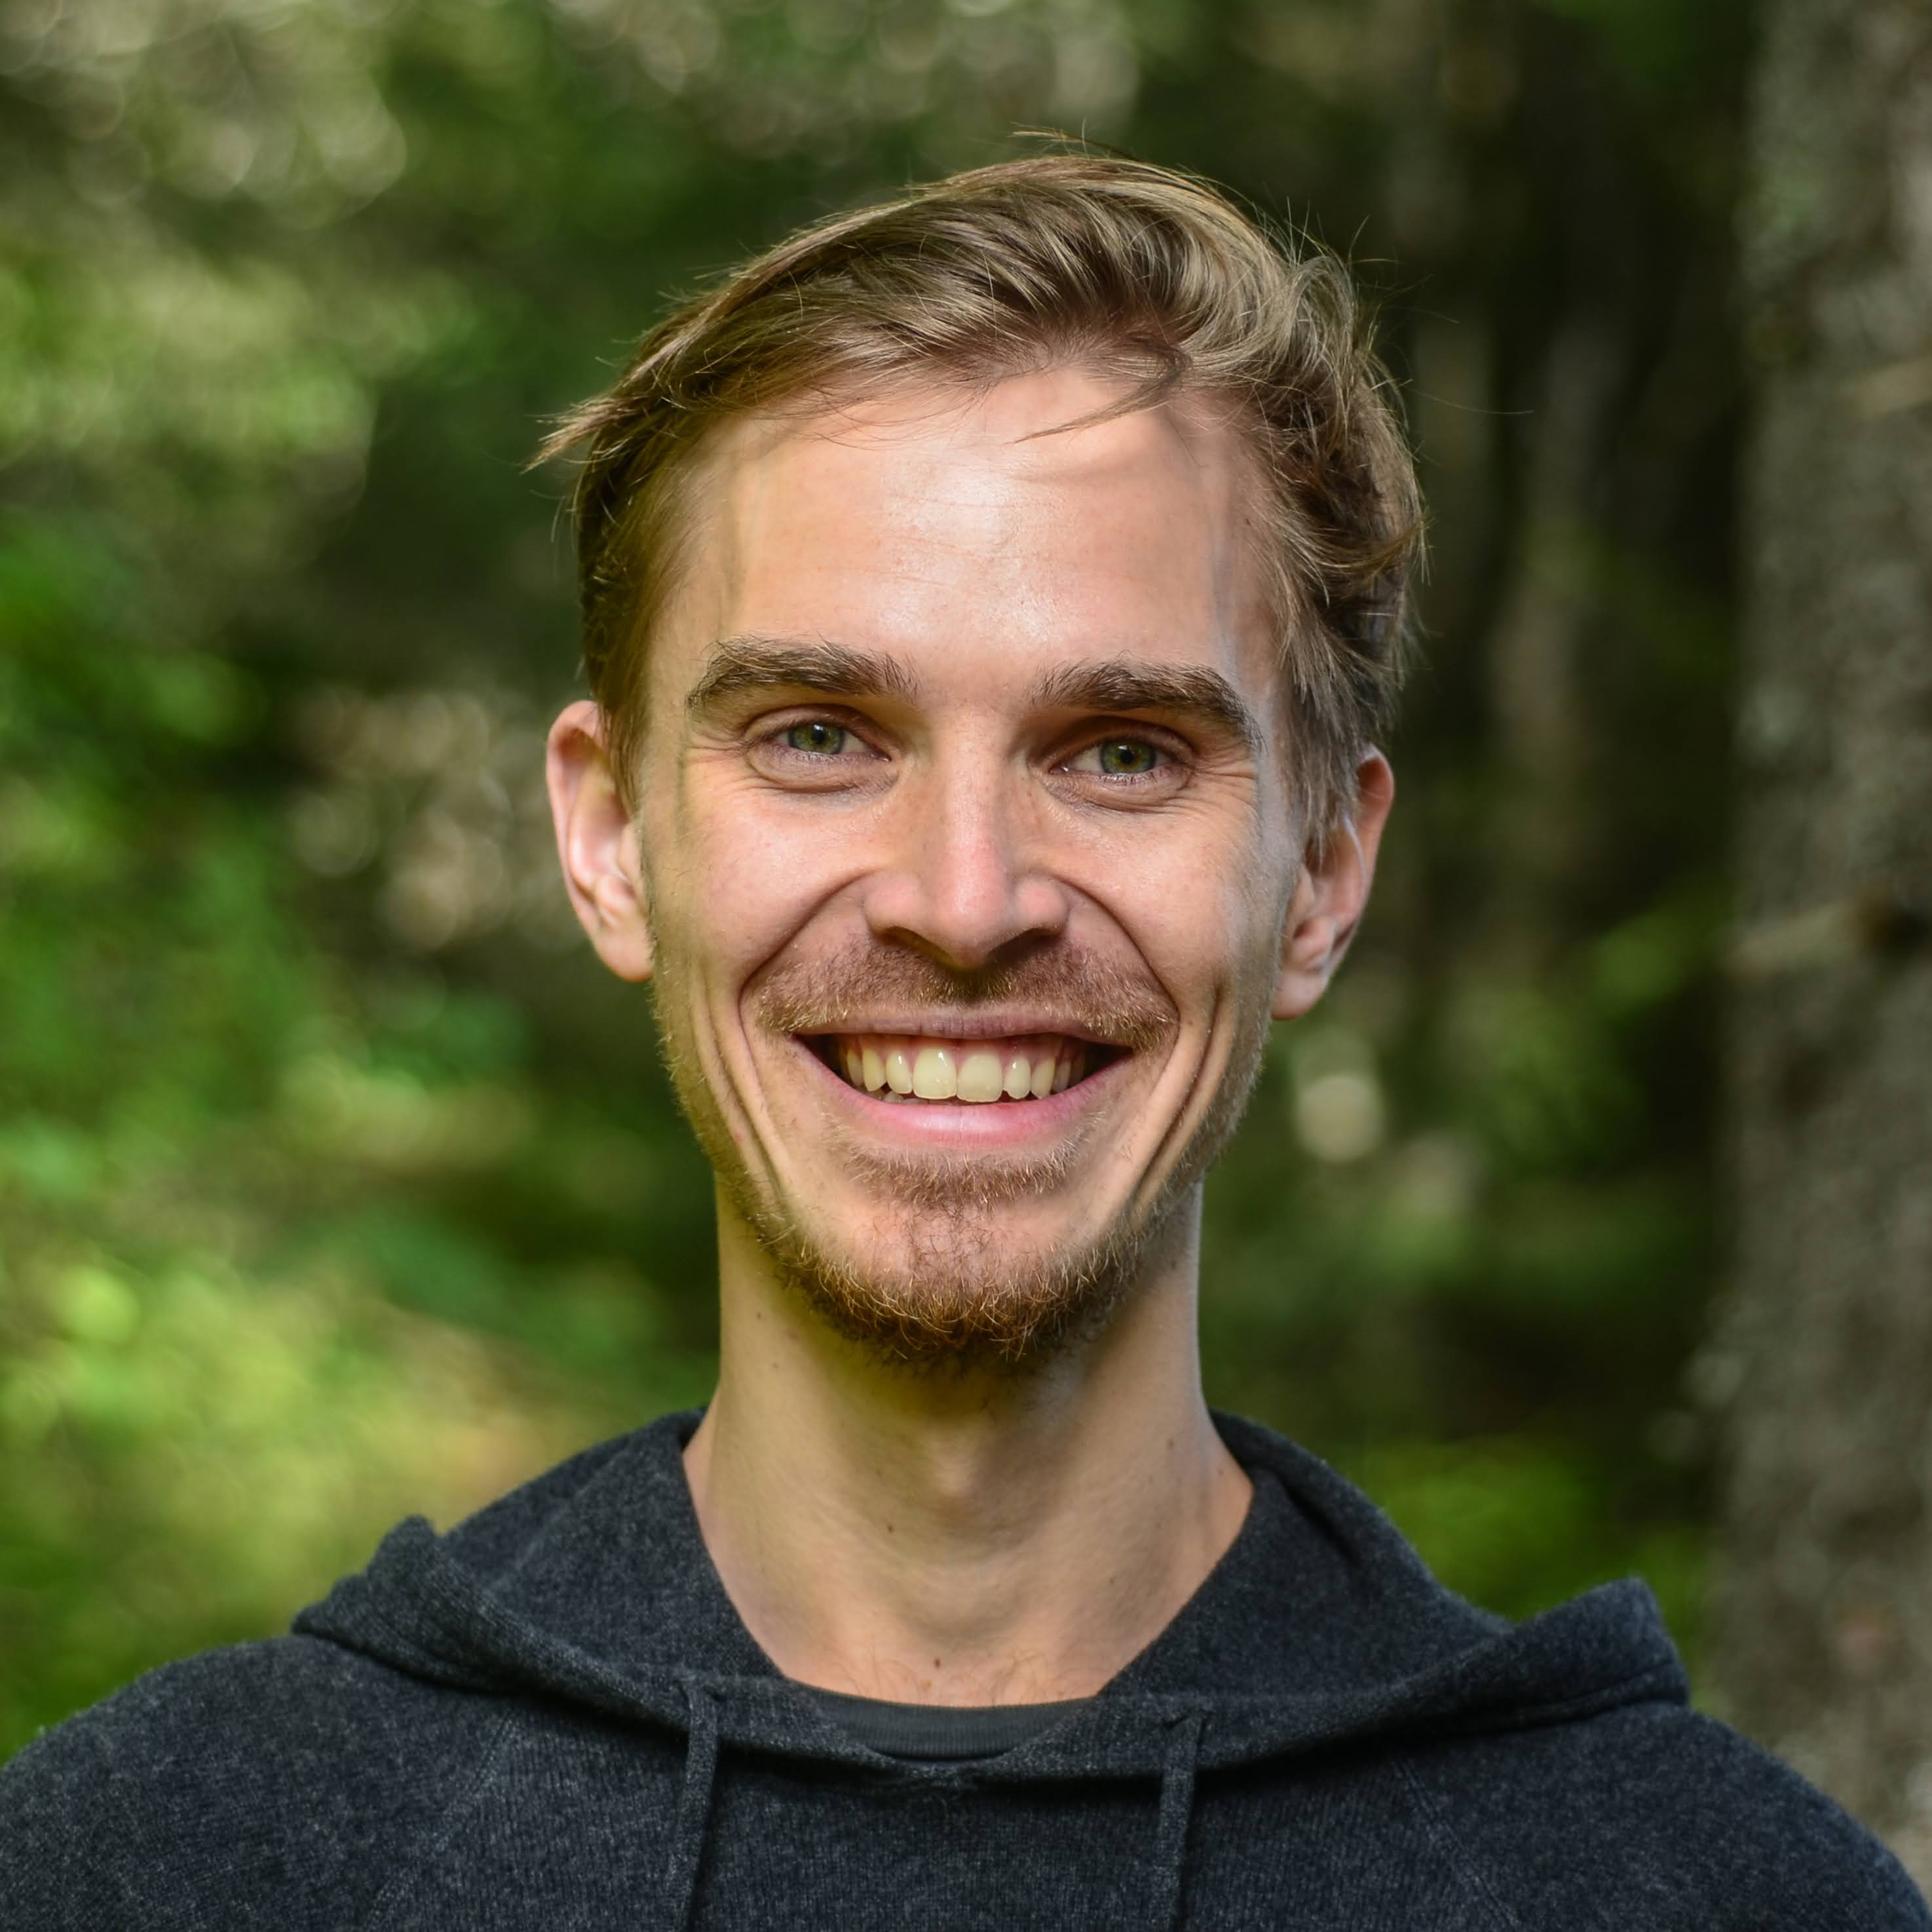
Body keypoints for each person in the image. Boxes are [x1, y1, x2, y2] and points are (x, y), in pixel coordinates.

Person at [1, 155, 1923, 1932]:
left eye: (1120, 753)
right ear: (610, 842)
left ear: (1324, 869)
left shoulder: (1703, 1896)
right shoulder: (155, 1863)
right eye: (821, 733)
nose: (966, 895)